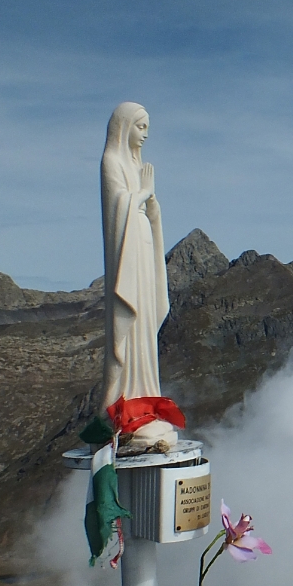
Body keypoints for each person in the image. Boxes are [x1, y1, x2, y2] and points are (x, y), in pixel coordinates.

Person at [100, 101, 176, 447]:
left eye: (147, 128)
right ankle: (128, 408)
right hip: (128, 259)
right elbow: (117, 208)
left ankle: (146, 402)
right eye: (140, 126)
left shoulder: (136, 164)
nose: (145, 134)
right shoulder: (111, 162)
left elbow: (143, 209)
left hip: (144, 256)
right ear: (124, 126)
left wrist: (153, 208)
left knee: (145, 328)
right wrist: (141, 195)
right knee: (131, 333)